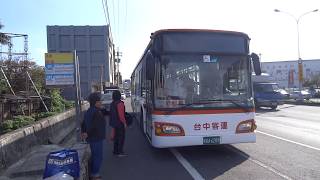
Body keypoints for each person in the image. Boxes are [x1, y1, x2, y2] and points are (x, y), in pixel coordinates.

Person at [81, 92, 106, 180]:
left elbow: (83, 123)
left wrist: (84, 132)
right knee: (98, 156)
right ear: (96, 102)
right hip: (96, 138)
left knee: (93, 156)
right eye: (100, 101)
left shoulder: (89, 111)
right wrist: (87, 133)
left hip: (90, 138)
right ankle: (95, 175)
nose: (101, 103)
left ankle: (92, 173)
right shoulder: (97, 112)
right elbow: (95, 126)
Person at [109, 90, 127, 157]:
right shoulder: (120, 103)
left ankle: (115, 151)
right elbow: (121, 115)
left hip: (114, 123)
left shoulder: (112, 103)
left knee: (116, 138)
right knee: (121, 138)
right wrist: (124, 123)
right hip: (119, 124)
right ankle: (120, 152)